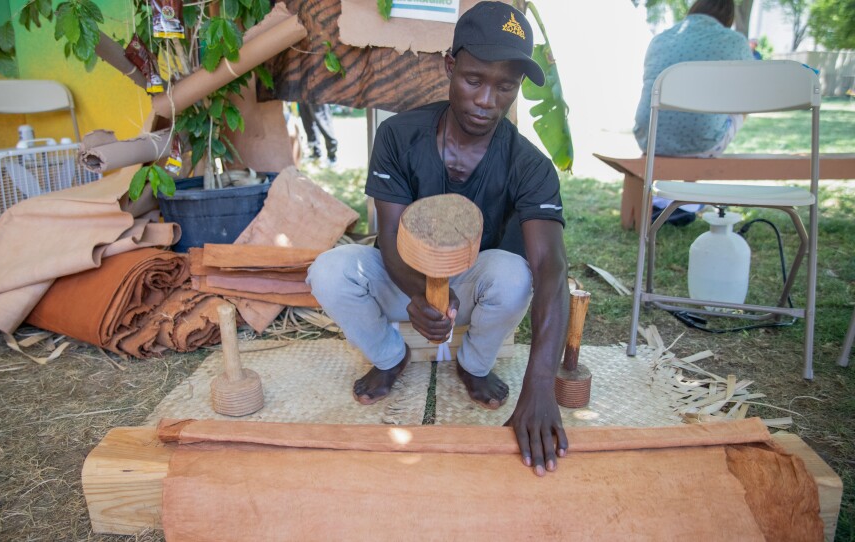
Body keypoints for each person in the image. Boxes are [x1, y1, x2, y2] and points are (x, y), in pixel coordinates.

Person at [307, 1, 570, 477]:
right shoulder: (397, 135)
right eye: (474, 79)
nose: (487, 99)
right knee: (329, 270)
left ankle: (473, 363)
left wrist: (542, 384)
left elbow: (551, 267)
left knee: (515, 274)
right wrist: (416, 295)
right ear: (450, 66)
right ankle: (391, 356)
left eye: (505, 85)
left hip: (475, 293)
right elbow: (389, 238)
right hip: (401, 278)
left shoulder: (530, 166)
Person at [633, 0, 753, 225]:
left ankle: (665, 199)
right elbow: (748, 94)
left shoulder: (661, 39)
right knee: (734, 108)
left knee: (670, 110)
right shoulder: (734, 41)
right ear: (729, 16)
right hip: (701, 141)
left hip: (649, 137)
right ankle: (688, 198)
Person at [298, 102, 339, 167]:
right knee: (307, 120)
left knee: (323, 120)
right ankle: (316, 152)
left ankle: (332, 157)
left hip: (317, 94)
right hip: (301, 94)